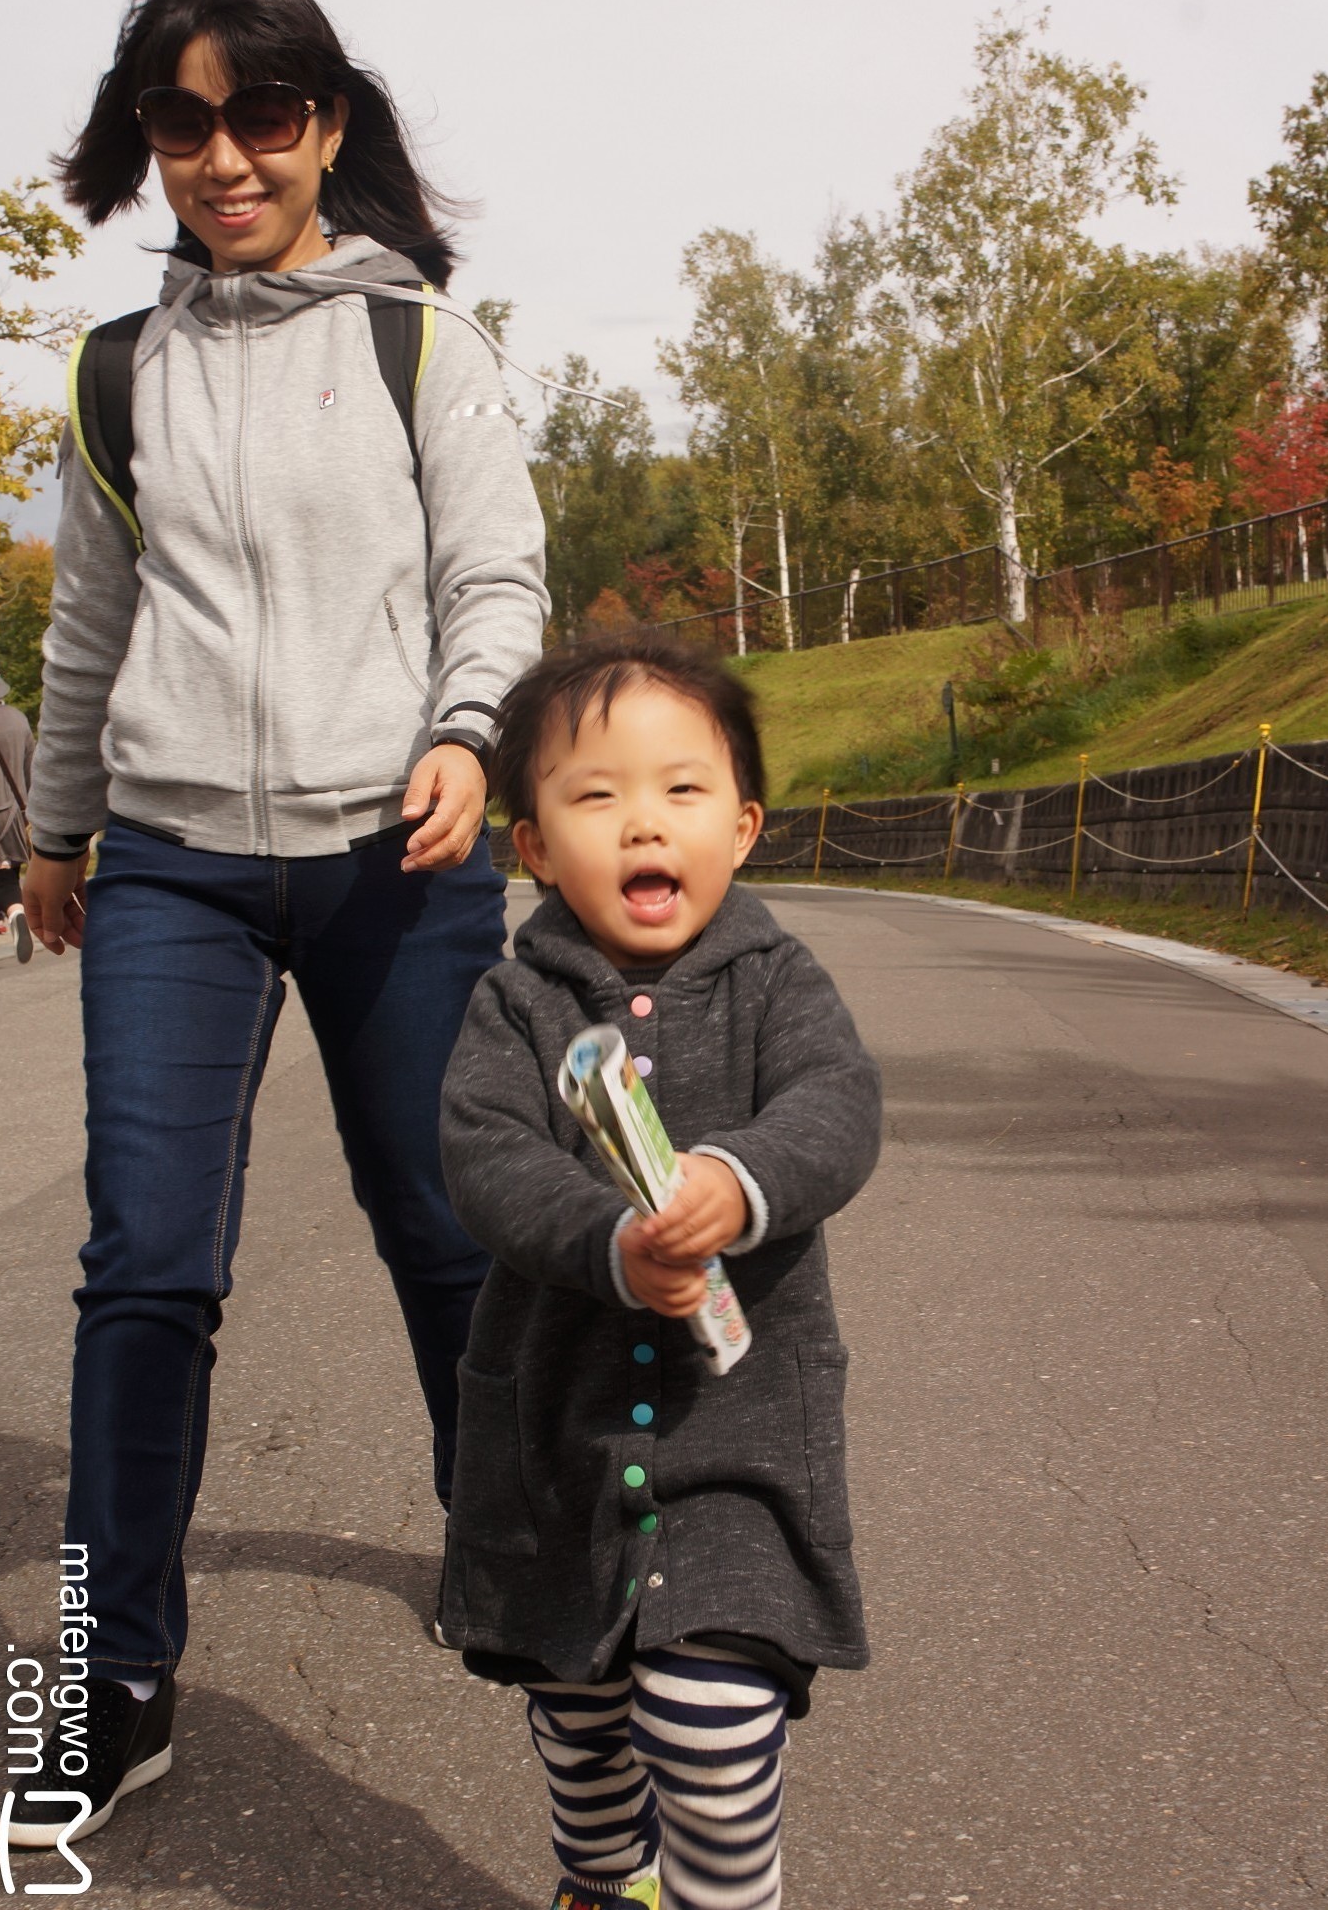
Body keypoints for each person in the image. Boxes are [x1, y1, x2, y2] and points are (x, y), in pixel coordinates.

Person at [5, 0, 547, 1851]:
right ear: (145, 138)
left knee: (447, 1239)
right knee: (143, 1265)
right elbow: (90, 629)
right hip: (169, 867)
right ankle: (106, 1663)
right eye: (182, 121)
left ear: (329, 127)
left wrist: (470, 731)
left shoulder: (425, 344)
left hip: (392, 855)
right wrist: (59, 835)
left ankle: (505, 1556)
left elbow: (496, 582)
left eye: (265, 116)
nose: (224, 157)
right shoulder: (116, 372)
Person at [438, 635, 882, 1910]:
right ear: (530, 845)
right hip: (557, 1434)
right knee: (578, 1711)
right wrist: (611, 1245)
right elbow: (486, 1156)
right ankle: (597, 1873)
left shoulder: (776, 981)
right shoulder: (515, 1005)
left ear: (740, 826)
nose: (643, 820)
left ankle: (722, 1893)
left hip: (738, 1434)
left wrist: (735, 1181)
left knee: (706, 1723)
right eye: (595, 796)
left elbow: (836, 1108)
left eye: (680, 791)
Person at [0, 652, 35, 970]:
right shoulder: (17, 719)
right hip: (10, 815)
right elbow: (32, 770)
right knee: (5, 877)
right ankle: (16, 912)